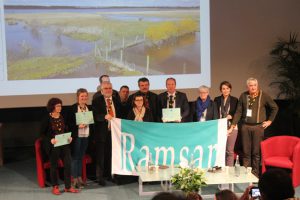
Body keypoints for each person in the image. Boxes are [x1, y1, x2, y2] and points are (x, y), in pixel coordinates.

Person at [228, 78, 278, 177]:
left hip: (258, 127)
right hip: (245, 126)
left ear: (257, 85)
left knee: (256, 152)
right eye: (251, 85)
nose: (253, 87)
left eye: (255, 85)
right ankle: (247, 174)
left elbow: (274, 107)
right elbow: (238, 112)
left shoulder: (263, 95)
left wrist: (269, 121)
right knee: (246, 152)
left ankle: (255, 174)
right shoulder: (243, 95)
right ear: (248, 86)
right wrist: (232, 126)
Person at [40, 98, 79, 195]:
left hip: (64, 144)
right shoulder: (47, 119)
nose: (60, 107)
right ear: (52, 107)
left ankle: (68, 186)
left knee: (68, 164)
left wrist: (70, 137)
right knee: (54, 166)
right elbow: (41, 134)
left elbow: (65, 130)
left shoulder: (62, 117)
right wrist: (50, 140)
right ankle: (55, 186)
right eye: (58, 106)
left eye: (60, 106)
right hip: (53, 146)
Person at [92, 81, 122, 186]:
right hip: (102, 133)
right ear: (101, 91)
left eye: (110, 88)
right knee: (100, 156)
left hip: (114, 133)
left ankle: (110, 176)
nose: (108, 90)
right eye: (106, 88)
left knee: (111, 155)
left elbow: (120, 114)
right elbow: (95, 116)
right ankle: (99, 178)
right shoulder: (96, 101)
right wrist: (104, 116)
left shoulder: (117, 100)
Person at [67, 88, 92, 189]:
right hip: (77, 136)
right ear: (78, 97)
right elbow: (68, 123)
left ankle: (80, 178)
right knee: (75, 157)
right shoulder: (73, 108)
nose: (84, 98)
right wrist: (78, 126)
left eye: (85, 96)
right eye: (82, 96)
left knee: (81, 157)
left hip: (86, 135)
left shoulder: (88, 108)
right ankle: (74, 179)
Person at [214, 81, 238, 166]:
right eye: (223, 89)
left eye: (227, 88)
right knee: (221, 150)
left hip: (232, 127)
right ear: (221, 90)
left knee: (229, 151)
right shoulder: (216, 99)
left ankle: (229, 171)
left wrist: (231, 116)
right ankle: (221, 169)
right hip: (220, 127)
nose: (225, 90)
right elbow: (215, 113)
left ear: (230, 89)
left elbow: (237, 113)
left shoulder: (235, 100)